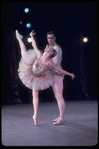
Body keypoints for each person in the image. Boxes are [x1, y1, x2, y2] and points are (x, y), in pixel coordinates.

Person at [16, 30, 75, 126]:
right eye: (48, 38)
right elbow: (35, 46)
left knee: (58, 96)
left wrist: (41, 68)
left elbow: (55, 67)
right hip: (46, 72)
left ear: (55, 38)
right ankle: (19, 39)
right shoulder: (48, 47)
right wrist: (32, 36)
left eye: (52, 38)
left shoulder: (57, 49)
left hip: (56, 75)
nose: (49, 40)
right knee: (24, 54)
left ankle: (62, 118)